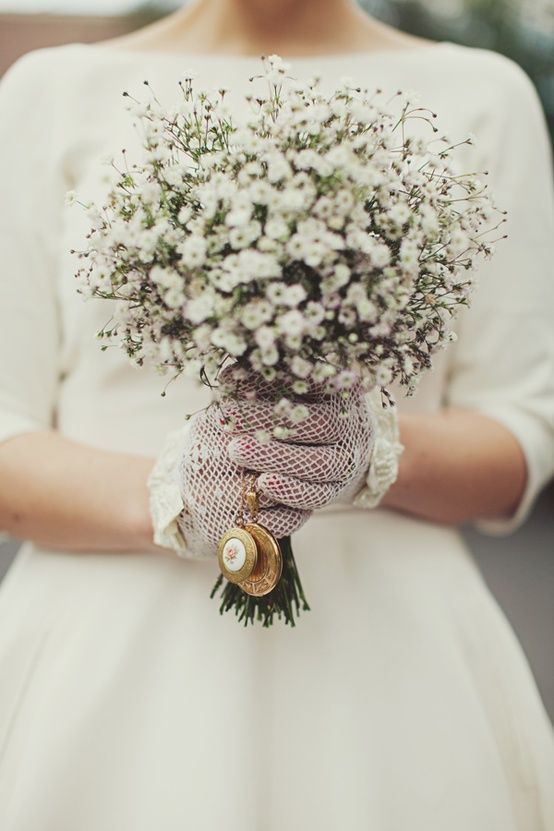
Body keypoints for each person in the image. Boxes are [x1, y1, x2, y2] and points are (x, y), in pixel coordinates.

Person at [0, 1, 553, 828]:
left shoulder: (484, 96)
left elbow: (522, 429)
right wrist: (178, 489)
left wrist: (370, 452)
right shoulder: (49, 93)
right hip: (102, 667)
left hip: (395, 680)